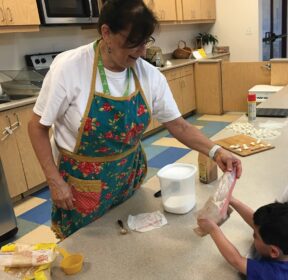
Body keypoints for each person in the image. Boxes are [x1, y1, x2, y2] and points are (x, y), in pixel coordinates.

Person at [27, 0, 241, 239]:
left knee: (126, 247)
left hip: (128, 178)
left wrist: (216, 151)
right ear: (106, 33)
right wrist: (54, 181)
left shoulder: (148, 75)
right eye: (132, 43)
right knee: (85, 250)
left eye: (145, 42)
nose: (141, 52)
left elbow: (178, 125)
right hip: (82, 187)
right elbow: (37, 127)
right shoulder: (69, 68)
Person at [197, 198, 288, 280]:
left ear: (273, 251)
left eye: (255, 235)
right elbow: (256, 223)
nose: (252, 235)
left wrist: (212, 229)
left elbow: (236, 261)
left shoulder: (272, 274)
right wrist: (232, 200)